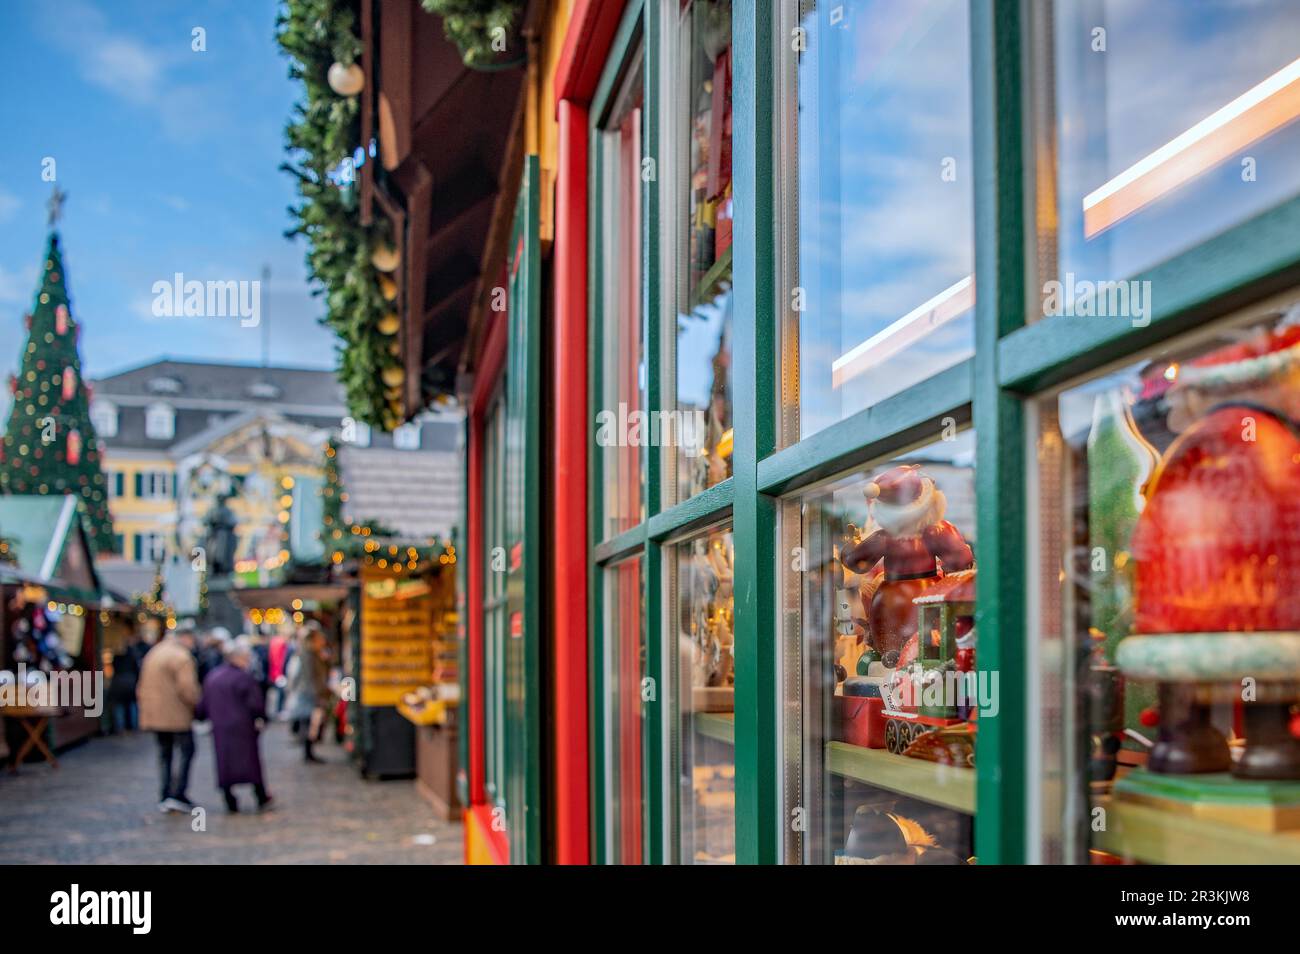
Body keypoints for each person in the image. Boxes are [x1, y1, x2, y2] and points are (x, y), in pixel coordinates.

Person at [196, 638, 273, 813]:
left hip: (221, 728)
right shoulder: (243, 678)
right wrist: (261, 718)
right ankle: (259, 795)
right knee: (251, 762)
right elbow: (256, 704)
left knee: (225, 763)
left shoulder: (213, 677)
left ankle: (229, 797)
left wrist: (200, 716)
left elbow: (203, 704)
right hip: (243, 727)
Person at [137, 627, 201, 813]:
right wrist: (197, 706)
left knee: (165, 754)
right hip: (176, 714)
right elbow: (188, 689)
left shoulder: (155, 652)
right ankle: (177, 793)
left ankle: (166, 793)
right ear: (185, 637)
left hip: (155, 714)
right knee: (186, 751)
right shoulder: (181, 657)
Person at [286, 625, 330, 762]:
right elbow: (310, 677)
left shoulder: (313, 654)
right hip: (309, 693)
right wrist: (318, 694)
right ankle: (308, 752)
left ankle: (309, 751)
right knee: (309, 722)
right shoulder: (308, 655)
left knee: (311, 722)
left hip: (310, 692)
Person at [105, 631, 144, 733]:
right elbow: (137, 669)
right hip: (130, 681)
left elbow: (113, 667)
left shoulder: (117, 655)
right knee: (132, 705)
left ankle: (120, 727)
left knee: (119, 706)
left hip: (118, 681)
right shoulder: (134, 653)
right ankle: (135, 726)